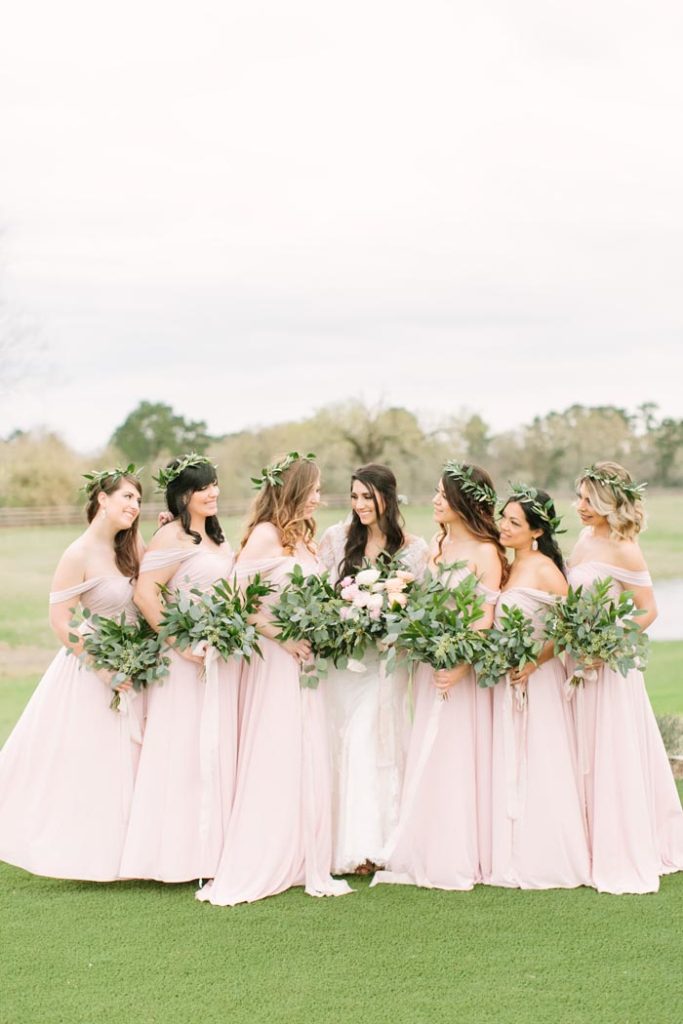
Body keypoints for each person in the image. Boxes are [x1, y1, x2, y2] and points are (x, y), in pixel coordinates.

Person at [197, 453, 352, 905]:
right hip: (274, 660)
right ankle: (265, 851)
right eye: (315, 490)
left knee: (307, 750)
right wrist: (284, 637)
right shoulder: (265, 536)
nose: (320, 498)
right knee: (278, 749)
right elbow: (236, 602)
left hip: (306, 660)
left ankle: (304, 853)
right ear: (294, 491)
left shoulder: (302, 536)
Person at [0, 466, 145, 880]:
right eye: (127, 498)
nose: (134, 506)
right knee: (89, 762)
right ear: (102, 499)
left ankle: (131, 850)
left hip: (133, 662)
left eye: (137, 500)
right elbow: (60, 622)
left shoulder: (130, 549)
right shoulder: (77, 554)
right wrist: (104, 671)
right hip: (93, 668)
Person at [372, 463, 505, 891]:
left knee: (457, 753)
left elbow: (485, 620)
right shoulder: (438, 544)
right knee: (428, 751)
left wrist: (460, 664)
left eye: (442, 496)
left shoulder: (486, 552)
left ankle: (461, 850)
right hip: (432, 662)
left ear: (463, 502)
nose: (434, 501)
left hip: (461, 671)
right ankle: (428, 842)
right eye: (435, 492)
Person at [567, 461, 683, 893]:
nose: (578, 506)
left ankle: (621, 845)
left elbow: (648, 610)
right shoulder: (583, 537)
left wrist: (608, 644)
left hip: (608, 668)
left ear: (608, 502)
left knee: (610, 752)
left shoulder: (624, 548)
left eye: (586, 499)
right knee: (582, 750)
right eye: (578, 496)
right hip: (577, 662)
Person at [119, 454, 235, 883]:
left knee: (215, 747)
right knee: (183, 751)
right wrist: (180, 642)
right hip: (185, 659)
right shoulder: (170, 536)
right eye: (202, 487)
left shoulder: (217, 536)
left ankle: (215, 848)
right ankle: (176, 856)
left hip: (220, 655)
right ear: (182, 494)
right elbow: (146, 595)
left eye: (214, 484)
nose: (212, 493)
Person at [318, 464, 428, 875]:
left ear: (388, 497)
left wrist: (388, 622)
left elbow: (418, 608)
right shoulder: (335, 539)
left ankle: (373, 844)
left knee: (373, 738)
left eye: (368, 496)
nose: (360, 505)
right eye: (354, 496)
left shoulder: (412, 550)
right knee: (342, 738)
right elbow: (319, 594)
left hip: (386, 660)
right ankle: (340, 840)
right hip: (345, 659)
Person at [488, 486, 590, 889]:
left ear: (535, 531)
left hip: (540, 679)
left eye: (515, 522)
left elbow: (570, 629)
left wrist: (535, 660)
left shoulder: (545, 568)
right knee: (513, 758)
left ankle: (548, 853)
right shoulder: (507, 565)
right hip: (508, 680)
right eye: (503, 518)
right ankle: (510, 847)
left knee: (542, 757)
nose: (504, 526)